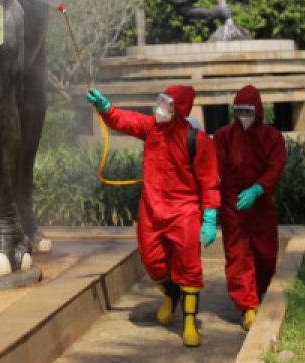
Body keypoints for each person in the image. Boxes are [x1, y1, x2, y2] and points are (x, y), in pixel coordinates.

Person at [85, 85, 220, 347]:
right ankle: (170, 296)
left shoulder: (198, 140)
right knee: (153, 261)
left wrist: (210, 217)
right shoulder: (151, 129)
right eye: (160, 100)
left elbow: (209, 181)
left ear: (179, 108)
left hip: (184, 212)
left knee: (189, 268)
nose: (160, 106)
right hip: (152, 211)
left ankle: (189, 324)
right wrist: (105, 107)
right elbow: (123, 120)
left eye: (166, 102)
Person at [213, 85, 286, 331]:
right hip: (233, 206)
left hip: (261, 205)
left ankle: (260, 290)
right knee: (238, 256)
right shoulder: (223, 136)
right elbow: (215, 169)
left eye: (249, 111)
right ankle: (247, 305)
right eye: (239, 111)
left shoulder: (273, 138)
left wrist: (258, 189)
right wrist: (211, 207)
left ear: (259, 111)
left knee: (265, 254)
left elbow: (275, 168)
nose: (244, 116)